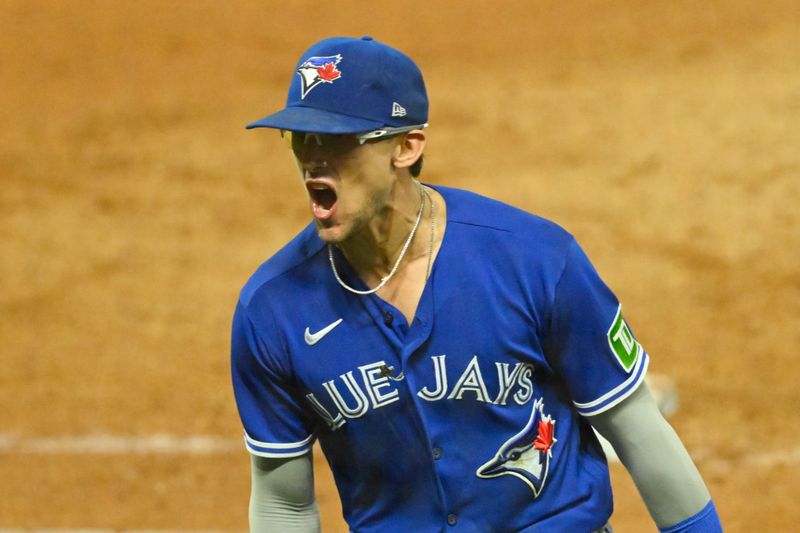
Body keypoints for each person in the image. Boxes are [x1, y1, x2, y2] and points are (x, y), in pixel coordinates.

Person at [231, 36, 722, 533]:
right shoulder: (271, 311)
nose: (313, 159)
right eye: (300, 138)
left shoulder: (534, 260)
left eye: (337, 139)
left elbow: (636, 429)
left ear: (406, 146)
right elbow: (285, 504)